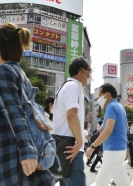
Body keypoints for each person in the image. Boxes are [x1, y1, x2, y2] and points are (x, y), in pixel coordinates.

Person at [0, 23, 54, 185]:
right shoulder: (21, 74)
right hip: (18, 159)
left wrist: (27, 150)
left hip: (8, 158)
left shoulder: (2, 71)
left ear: (0, 45)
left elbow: (14, 111)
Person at [53, 56, 90, 186]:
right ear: (81, 72)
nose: (89, 75)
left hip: (65, 145)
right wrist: (80, 142)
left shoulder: (67, 86)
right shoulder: (72, 86)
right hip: (71, 145)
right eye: (89, 71)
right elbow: (72, 115)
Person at [85, 83, 132, 186]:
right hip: (115, 150)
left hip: (113, 151)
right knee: (101, 182)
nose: (99, 98)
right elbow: (117, 129)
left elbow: (108, 131)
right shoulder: (119, 106)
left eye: (100, 95)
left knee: (123, 183)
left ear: (107, 95)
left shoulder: (111, 107)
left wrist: (92, 147)